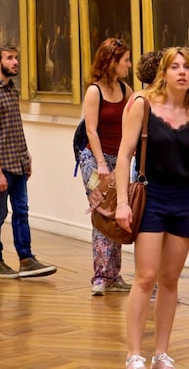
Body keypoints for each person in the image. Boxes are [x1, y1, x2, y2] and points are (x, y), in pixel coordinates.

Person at [115, 47, 189, 369]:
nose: (182, 72)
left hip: (184, 199)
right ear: (164, 72)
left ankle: (161, 352)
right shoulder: (143, 106)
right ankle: (134, 353)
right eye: (175, 67)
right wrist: (121, 202)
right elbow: (124, 155)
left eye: (187, 67)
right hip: (152, 196)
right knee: (146, 277)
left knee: (171, 279)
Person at [0, 44, 57, 280]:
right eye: (9, 58)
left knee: (21, 212)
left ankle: (26, 259)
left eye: (16, 58)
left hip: (18, 163)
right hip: (0, 168)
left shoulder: (12, 90)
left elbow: (14, 128)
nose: (15, 62)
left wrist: (26, 156)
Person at [78, 38, 133, 296]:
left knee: (118, 215)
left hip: (119, 162)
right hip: (94, 162)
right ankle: (100, 276)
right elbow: (91, 129)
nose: (128, 65)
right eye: (125, 61)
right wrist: (101, 163)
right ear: (112, 62)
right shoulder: (94, 91)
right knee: (102, 214)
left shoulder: (126, 89)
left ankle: (114, 275)